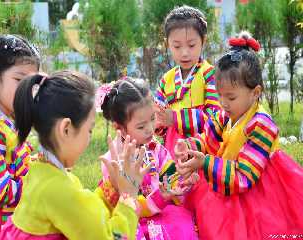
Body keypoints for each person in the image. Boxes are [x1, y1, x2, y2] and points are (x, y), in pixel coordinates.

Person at [175, 31, 303, 239]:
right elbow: (208, 140)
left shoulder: (261, 125)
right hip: (225, 177)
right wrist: (190, 147)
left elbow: (244, 177)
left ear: (255, 93)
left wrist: (205, 163)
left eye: (231, 97)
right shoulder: (226, 113)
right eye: (220, 95)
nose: (223, 102)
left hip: (255, 191)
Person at [0, 71, 148, 240]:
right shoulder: (57, 190)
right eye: (90, 130)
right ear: (66, 129)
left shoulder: (40, 170)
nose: (90, 139)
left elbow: (84, 213)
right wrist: (128, 196)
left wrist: (112, 187)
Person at [100, 78, 198, 240]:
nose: (150, 129)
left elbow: (170, 178)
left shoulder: (155, 149)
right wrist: (160, 197)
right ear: (119, 127)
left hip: (162, 210)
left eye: (152, 119)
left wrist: (183, 179)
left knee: (183, 226)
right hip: (133, 218)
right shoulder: (114, 161)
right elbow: (124, 205)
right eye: (141, 126)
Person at [0, 34, 40, 240]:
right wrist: (39, 184)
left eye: (31, 83)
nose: (26, 90)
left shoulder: (10, 128)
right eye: (19, 80)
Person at [155, 5, 220, 158]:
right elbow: (158, 119)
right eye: (176, 46)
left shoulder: (211, 75)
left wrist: (175, 118)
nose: (184, 53)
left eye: (191, 45)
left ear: (203, 41)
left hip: (203, 148)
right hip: (173, 150)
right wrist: (158, 121)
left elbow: (215, 118)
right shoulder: (166, 80)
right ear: (167, 44)